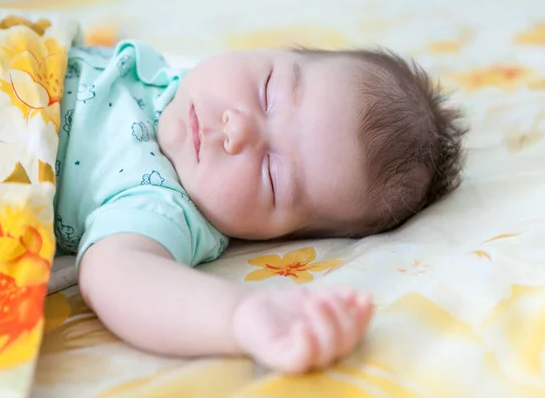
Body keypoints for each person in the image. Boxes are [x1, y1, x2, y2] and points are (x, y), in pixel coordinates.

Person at [54, 41, 467, 374]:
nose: (238, 127)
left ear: (275, 235)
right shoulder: (186, 78)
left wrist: (240, 318)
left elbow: (121, 278)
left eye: (272, 175)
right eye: (267, 90)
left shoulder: (162, 203)